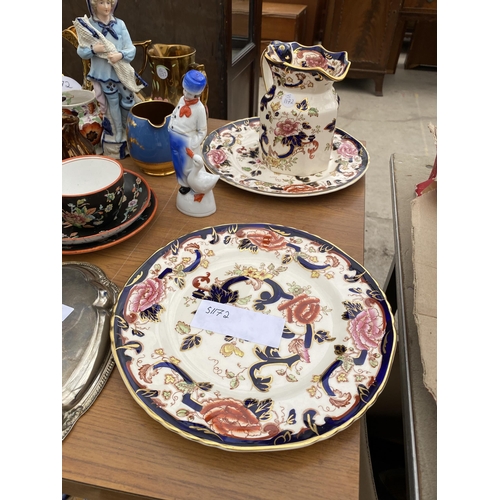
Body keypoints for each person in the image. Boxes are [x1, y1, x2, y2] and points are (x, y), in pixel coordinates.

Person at [75, 0, 144, 158]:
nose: (106, 7)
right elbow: (82, 50)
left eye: (109, 2)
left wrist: (121, 55)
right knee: (112, 103)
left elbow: (131, 48)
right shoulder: (89, 26)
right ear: (93, 5)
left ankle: (129, 130)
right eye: (102, 2)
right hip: (105, 75)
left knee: (128, 101)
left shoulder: (119, 24)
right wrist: (94, 49)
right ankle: (118, 132)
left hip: (122, 74)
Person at [168, 70, 208, 193]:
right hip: (173, 136)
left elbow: (202, 130)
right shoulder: (181, 99)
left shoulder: (200, 109)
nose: (186, 94)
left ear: (197, 94)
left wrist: (193, 143)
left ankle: (190, 183)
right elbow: (175, 112)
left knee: (187, 165)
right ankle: (182, 183)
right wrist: (170, 125)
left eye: (190, 93)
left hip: (186, 141)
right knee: (177, 163)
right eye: (185, 90)